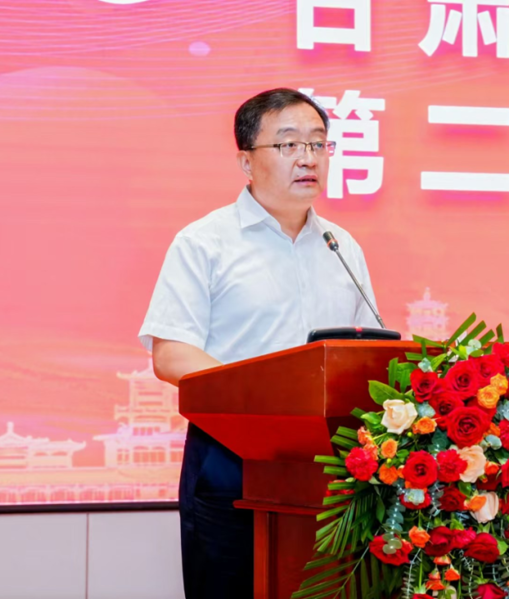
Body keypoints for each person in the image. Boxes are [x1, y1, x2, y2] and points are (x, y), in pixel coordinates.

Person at [138, 88, 382, 599]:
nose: (308, 158)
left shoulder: (341, 246)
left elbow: (366, 351)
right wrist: (266, 397)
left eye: (318, 143)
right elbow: (171, 352)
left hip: (329, 466)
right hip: (231, 456)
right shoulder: (204, 242)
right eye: (289, 144)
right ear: (246, 161)